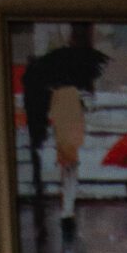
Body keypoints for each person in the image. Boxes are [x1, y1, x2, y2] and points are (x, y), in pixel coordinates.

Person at [48, 78, 85, 242]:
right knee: (71, 175)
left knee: (66, 175)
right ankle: (69, 210)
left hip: (62, 141)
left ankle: (67, 209)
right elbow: (79, 120)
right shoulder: (74, 94)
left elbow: (53, 118)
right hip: (72, 141)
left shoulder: (56, 95)